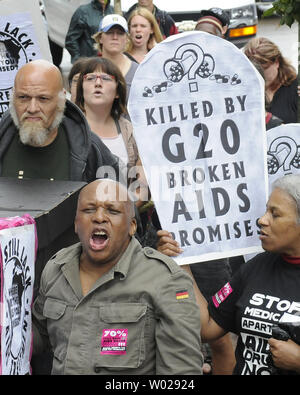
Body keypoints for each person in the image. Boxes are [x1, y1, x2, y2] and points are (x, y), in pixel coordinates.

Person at [32, 178, 203, 375]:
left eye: (112, 211)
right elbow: (37, 335)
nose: (99, 217)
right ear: (76, 223)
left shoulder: (166, 280)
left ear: (131, 226)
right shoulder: (55, 269)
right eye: (89, 210)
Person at [158, 174, 300, 375]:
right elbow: (206, 328)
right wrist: (182, 263)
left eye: (275, 215)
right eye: (266, 210)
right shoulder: (256, 266)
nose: (262, 220)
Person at [0, 59, 119, 182]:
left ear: (61, 100)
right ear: (13, 98)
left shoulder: (91, 150)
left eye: (43, 98)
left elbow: (115, 197)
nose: (32, 108)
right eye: (23, 97)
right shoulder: (3, 138)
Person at [75, 56, 148, 207]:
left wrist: (121, 211)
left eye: (106, 78)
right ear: (81, 88)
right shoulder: (69, 129)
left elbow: (142, 189)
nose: (98, 83)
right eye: (90, 78)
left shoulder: (132, 132)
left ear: (117, 91)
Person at [244, 37, 297, 124]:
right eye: (254, 71)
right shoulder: (246, 91)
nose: (259, 75)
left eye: (263, 69)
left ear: (277, 62)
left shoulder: (295, 87)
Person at [92, 14, 138, 101]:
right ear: (100, 38)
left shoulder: (138, 71)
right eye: (109, 32)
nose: (115, 37)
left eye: (120, 33)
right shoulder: (89, 70)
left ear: (127, 39)